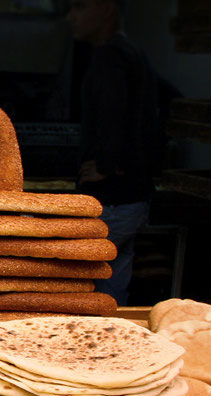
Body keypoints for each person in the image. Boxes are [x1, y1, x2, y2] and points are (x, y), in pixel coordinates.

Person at [67, 0, 161, 306]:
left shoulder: (111, 57)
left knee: (68, 281)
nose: (72, 16)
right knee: (113, 286)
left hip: (112, 200)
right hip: (132, 198)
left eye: (79, 7)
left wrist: (108, 165)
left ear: (106, 8)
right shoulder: (133, 53)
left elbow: (113, 113)